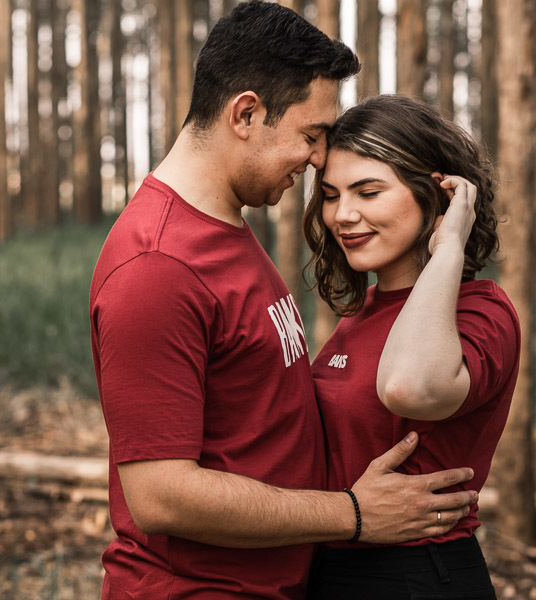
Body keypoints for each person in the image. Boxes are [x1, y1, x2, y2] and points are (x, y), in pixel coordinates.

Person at [89, 4, 479, 599]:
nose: (320, 157)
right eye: (311, 134)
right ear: (246, 113)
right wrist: (350, 513)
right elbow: (160, 496)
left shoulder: (227, 229)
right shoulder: (158, 264)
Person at [303, 94, 521, 599]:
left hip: (415, 575)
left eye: (369, 191)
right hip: (332, 560)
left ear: (435, 194)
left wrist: (448, 245)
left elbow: (409, 388)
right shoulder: (361, 314)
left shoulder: (483, 312)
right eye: (332, 195)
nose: (343, 215)